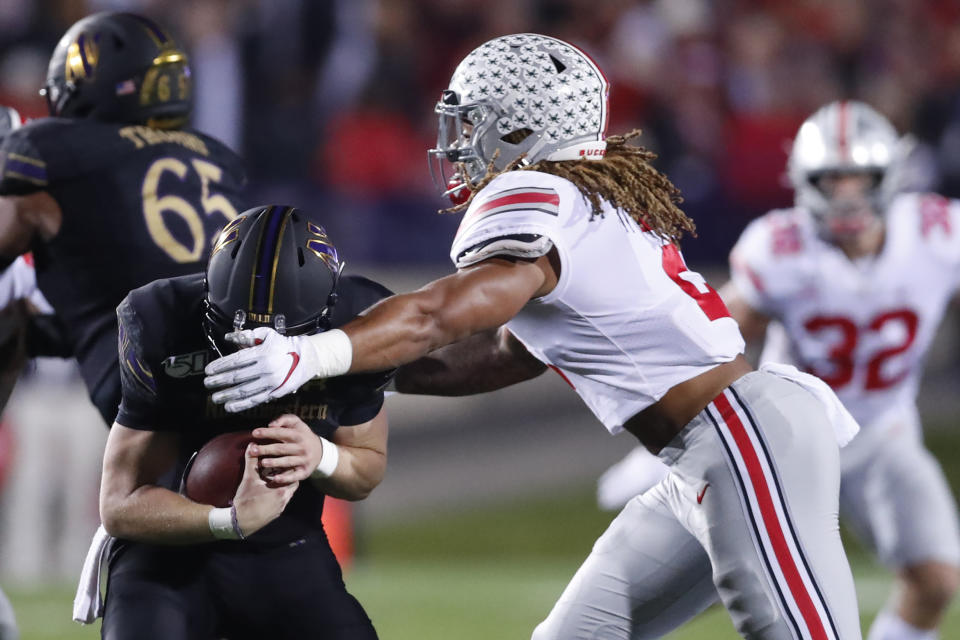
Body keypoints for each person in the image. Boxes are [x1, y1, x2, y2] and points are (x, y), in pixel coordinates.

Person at [204, 34, 863, 638]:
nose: (456, 141)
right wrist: (351, 369)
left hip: (741, 441)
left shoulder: (535, 191)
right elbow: (501, 356)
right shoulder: (584, 200)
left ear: (520, 129)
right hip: (701, 457)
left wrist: (312, 351)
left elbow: (444, 313)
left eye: (471, 121)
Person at [719, 100, 960, 640]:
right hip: (792, 442)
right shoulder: (781, 248)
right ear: (806, 182)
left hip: (883, 431)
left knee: (936, 580)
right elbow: (716, 335)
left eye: (860, 177)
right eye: (832, 179)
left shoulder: (937, 234)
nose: (848, 192)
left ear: (888, 175)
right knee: (781, 607)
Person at [97, 205, 392, 639]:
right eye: (238, 338)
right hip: (167, 550)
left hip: (285, 545)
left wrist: (321, 455)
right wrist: (227, 520)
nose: (255, 352)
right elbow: (118, 506)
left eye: (278, 344)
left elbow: (365, 471)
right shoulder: (160, 317)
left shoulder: (362, 319)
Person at [0, 11, 247, 425]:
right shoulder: (217, 158)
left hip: (150, 377)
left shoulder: (54, 150)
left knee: (11, 317)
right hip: (243, 361)